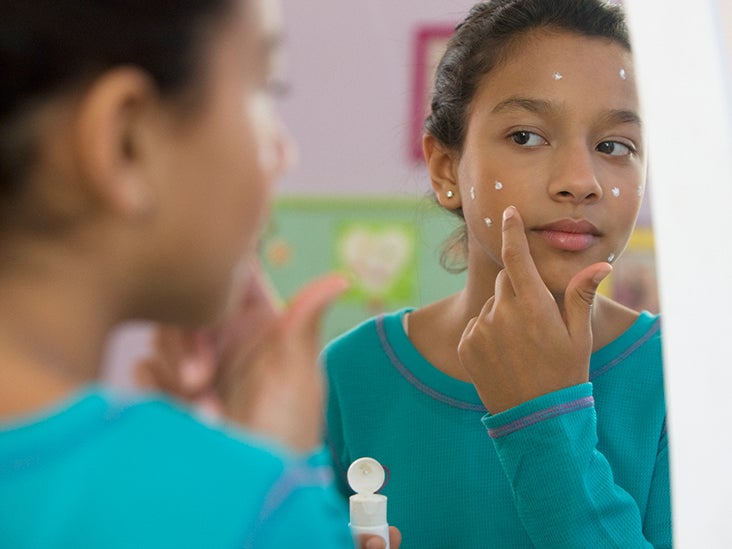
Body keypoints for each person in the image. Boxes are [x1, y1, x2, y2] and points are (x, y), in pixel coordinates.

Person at [0, 1, 400, 547]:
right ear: (128, 142)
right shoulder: (256, 508)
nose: (285, 152)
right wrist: (275, 485)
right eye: (267, 89)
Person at [324, 0, 670, 547]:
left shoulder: (686, 384)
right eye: (526, 136)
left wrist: (544, 420)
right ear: (445, 170)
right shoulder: (347, 377)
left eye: (614, 146)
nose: (581, 181)